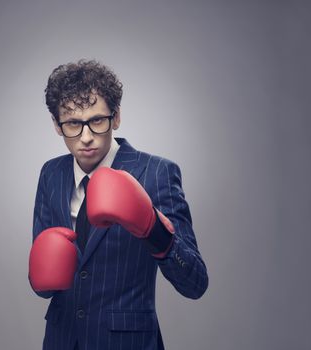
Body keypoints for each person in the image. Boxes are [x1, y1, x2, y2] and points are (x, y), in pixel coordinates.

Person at [28, 59, 208, 350]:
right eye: (73, 123)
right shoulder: (51, 174)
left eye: (97, 120)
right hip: (61, 341)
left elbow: (195, 283)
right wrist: (41, 275)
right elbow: (43, 284)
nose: (86, 137)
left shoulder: (157, 173)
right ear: (56, 126)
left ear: (117, 117)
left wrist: (153, 228)